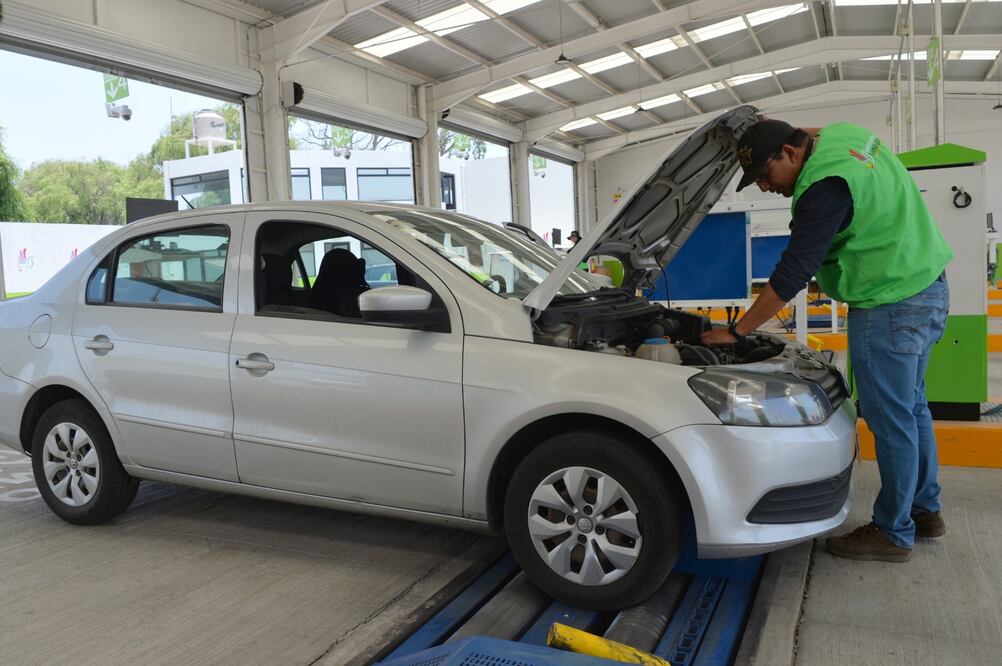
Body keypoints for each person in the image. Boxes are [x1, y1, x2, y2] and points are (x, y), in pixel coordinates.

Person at [701, 118, 953, 562]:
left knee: (891, 419)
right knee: (911, 409)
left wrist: (738, 330)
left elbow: (791, 274)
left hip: (888, 302)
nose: (763, 187)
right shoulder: (844, 136)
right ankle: (925, 510)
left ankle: (894, 533)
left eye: (765, 173)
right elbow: (809, 128)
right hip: (927, 286)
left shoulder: (823, 188)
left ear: (791, 154)